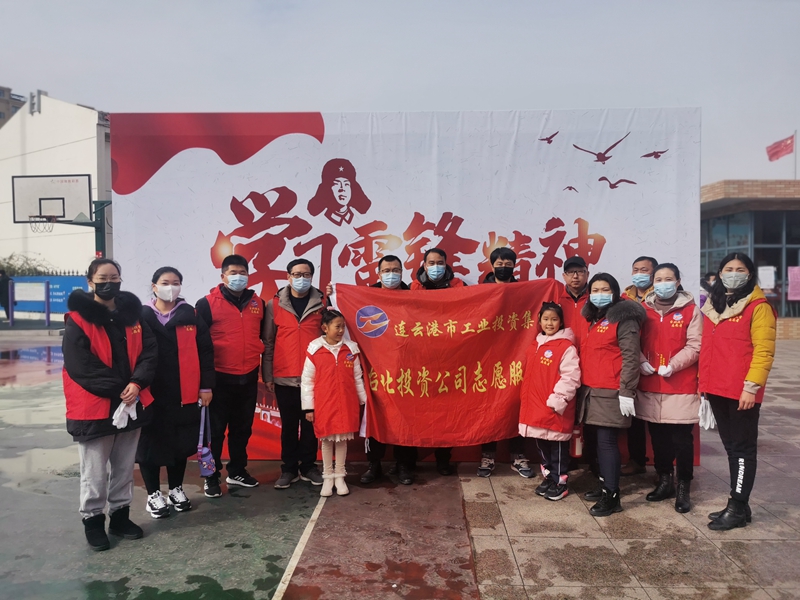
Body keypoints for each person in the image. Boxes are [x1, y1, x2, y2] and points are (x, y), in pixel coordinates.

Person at [62, 259, 157, 551]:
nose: (109, 283)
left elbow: (150, 352)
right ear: (90, 281)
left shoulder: (134, 317)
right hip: (95, 406)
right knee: (94, 471)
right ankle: (92, 521)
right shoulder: (78, 319)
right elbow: (80, 365)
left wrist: (137, 384)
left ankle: (120, 517)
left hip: (132, 401)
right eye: (102, 278)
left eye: (114, 277)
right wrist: (120, 389)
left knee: (125, 466)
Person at [700, 253, 776, 530]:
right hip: (716, 388)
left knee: (742, 450)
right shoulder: (714, 305)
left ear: (750, 274)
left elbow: (764, 352)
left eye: (740, 269)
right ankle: (741, 505)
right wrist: (703, 384)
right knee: (732, 448)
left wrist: (751, 388)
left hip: (742, 391)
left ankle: (737, 506)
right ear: (720, 274)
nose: (734, 273)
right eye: (728, 269)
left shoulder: (758, 307)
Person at [137, 267, 215, 518]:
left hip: (184, 392)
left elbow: (206, 352)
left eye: (175, 282)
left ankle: (175, 489)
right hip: (149, 391)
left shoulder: (190, 315)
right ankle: (153, 494)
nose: (170, 287)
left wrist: (205, 386)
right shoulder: (140, 316)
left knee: (180, 443)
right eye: (164, 282)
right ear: (154, 286)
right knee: (149, 445)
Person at [196, 255, 265, 497]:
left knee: (242, 429)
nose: (238, 277)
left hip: (248, 377)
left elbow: (262, 336)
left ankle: (237, 471)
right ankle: (211, 476)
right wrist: (204, 383)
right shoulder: (206, 304)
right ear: (223, 276)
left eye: (242, 273)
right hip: (218, 379)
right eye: (233, 273)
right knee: (214, 432)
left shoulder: (258, 303)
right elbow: (199, 344)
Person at [636, 263, 702, 514]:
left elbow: (695, 345)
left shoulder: (691, 311)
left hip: (680, 385)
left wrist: (674, 365)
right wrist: (641, 360)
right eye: (659, 279)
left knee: (682, 440)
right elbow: (631, 341)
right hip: (651, 383)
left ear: (678, 282)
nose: (663, 283)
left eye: (668, 279)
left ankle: (683, 486)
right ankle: (665, 480)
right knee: (658, 437)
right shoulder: (642, 310)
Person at [579, 273, 646, 516]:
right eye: (595, 290)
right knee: (597, 442)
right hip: (592, 390)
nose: (599, 294)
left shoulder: (624, 319)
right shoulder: (595, 319)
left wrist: (627, 391)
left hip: (612, 390)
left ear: (615, 292)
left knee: (607, 443)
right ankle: (604, 484)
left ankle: (612, 495)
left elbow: (631, 356)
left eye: (605, 289)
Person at [355, 255, 418, 486]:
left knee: (405, 419)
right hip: (376, 369)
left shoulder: (413, 297)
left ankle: (403, 465)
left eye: (396, 270)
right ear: (379, 273)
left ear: (402, 272)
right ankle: (374, 464)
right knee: (375, 418)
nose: (391, 274)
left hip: (406, 369)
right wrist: (333, 296)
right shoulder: (366, 297)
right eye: (387, 270)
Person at [263, 258, 326, 489]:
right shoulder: (274, 304)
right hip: (284, 377)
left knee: (310, 426)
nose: (302, 279)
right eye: (297, 274)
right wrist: (268, 375)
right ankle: (289, 468)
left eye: (306, 274)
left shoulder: (323, 303)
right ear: (288, 277)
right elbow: (268, 342)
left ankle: (308, 466)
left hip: (314, 377)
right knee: (289, 426)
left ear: (312, 277)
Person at [478, 247, 533, 478]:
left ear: (514, 266)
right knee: (487, 406)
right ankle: (487, 455)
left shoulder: (524, 292)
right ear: (492, 266)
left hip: (515, 355)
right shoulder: (480, 292)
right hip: (486, 358)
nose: (504, 267)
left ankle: (518, 456)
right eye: (499, 263)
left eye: (508, 263)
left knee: (514, 405)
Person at [301, 310, 368, 496]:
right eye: (337, 327)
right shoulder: (315, 350)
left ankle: (340, 476)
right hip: (324, 404)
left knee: (342, 440)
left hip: (346, 402)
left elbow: (357, 378)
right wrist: (309, 408)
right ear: (325, 328)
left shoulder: (351, 350)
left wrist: (364, 400)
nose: (341, 330)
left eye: (343, 327)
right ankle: (328, 477)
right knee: (326, 440)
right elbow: (307, 381)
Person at [409, 248, 464, 475]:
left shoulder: (458, 286)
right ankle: (409, 462)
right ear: (424, 265)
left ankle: (443, 460)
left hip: (449, 357)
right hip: (420, 357)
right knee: (415, 411)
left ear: (446, 263)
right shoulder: (413, 288)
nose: (435, 267)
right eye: (431, 263)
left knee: (446, 411)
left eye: (439, 262)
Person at [520, 302, 581, 501]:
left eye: (554, 319)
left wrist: (558, 399)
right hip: (536, 407)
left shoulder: (566, 347)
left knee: (558, 448)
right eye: (545, 319)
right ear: (539, 321)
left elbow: (571, 376)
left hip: (555, 407)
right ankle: (549, 477)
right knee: (542, 445)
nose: (549, 323)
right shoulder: (534, 345)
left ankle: (560, 482)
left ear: (561, 322)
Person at [621, 255, 658, 477]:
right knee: (632, 418)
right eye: (636, 269)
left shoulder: (662, 298)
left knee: (657, 421)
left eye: (644, 270)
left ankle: (663, 468)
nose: (639, 274)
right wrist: (638, 358)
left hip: (657, 366)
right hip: (632, 363)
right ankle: (636, 460)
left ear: (654, 274)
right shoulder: (624, 300)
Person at [307, 158, 372, 226]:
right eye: (336, 184)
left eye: (346, 184)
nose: (342, 189)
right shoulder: (319, 221)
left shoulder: (361, 219)